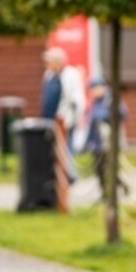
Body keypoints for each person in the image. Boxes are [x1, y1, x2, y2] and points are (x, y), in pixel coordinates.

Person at [40, 46, 86, 179]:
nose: (47, 64)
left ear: (58, 61)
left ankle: (70, 175)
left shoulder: (70, 75)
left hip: (64, 119)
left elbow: (75, 99)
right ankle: (58, 175)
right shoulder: (48, 75)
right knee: (53, 149)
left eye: (49, 61)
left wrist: (69, 117)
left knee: (66, 148)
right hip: (49, 119)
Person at [84, 78, 128, 199]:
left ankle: (121, 188)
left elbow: (123, 113)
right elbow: (92, 124)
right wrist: (87, 142)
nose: (93, 92)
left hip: (110, 140)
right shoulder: (95, 103)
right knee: (99, 169)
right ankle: (104, 193)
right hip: (97, 141)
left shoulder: (111, 99)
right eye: (91, 89)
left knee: (110, 166)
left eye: (94, 88)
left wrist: (104, 116)